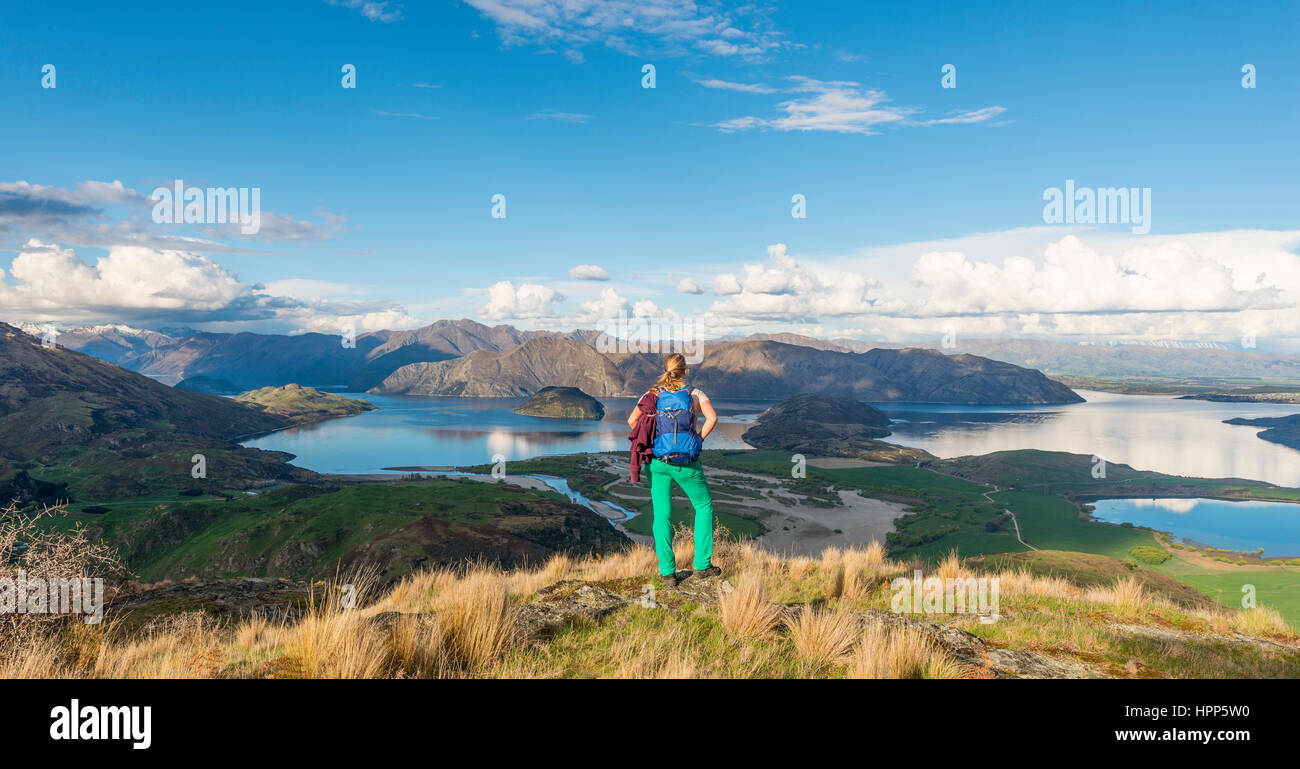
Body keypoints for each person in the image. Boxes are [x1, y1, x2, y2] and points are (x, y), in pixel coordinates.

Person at [625, 353, 719, 587]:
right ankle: (702, 566)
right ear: (685, 371)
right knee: (703, 506)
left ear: (665, 370)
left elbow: (631, 421)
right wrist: (698, 438)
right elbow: (713, 418)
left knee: (662, 514)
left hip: (658, 463)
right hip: (687, 462)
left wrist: (654, 438)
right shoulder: (694, 394)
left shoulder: (652, 395)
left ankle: (668, 572)